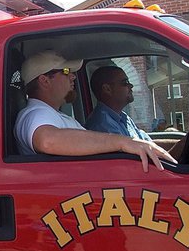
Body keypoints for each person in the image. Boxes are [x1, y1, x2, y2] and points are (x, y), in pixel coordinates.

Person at [13, 50, 175, 172]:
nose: (73, 77)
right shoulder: (35, 113)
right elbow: (47, 141)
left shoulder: (54, 115)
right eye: (66, 71)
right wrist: (123, 142)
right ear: (44, 80)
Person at [85, 65, 151, 140]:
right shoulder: (102, 125)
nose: (131, 85)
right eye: (125, 82)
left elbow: (145, 142)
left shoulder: (122, 117)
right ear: (107, 89)